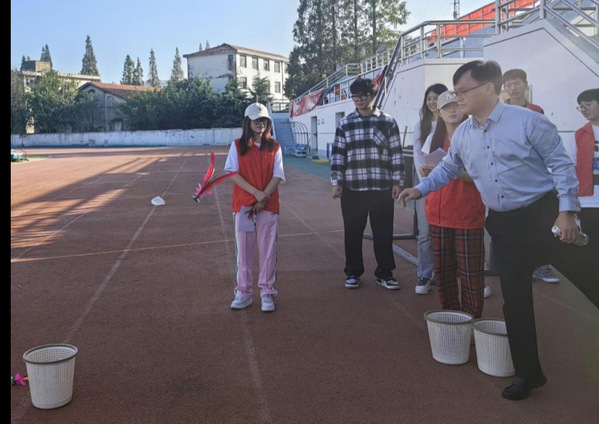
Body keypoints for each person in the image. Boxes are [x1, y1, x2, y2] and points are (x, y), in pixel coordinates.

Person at [398, 60, 597, 401]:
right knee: (515, 302)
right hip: (504, 225)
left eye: (463, 91)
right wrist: (420, 189)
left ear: (489, 88)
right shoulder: (463, 134)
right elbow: (448, 168)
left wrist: (567, 212)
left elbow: (561, 165)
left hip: (544, 214)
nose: (457, 98)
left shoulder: (528, 121)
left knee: (591, 278)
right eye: (455, 92)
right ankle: (528, 374)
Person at [331, 78, 405, 290]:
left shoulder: (388, 122)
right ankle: (353, 272)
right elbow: (338, 154)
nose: (359, 100)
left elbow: (396, 154)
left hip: (381, 187)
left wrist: (398, 182)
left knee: (383, 232)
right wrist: (336, 182)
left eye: (363, 95)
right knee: (352, 232)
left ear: (373, 95)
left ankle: (385, 273)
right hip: (353, 187)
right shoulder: (345, 123)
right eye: (355, 96)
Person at [419, 90, 486, 317]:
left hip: (467, 214)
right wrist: (427, 172)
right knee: (443, 274)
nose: (452, 110)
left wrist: (451, 171)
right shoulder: (433, 139)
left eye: (456, 105)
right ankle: (451, 318)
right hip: (438, 214)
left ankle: (472, 319)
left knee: (471, 274)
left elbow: (482, 175)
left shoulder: (477, 137)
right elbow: (427, 173)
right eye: (447, 107)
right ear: (438, 112)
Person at [224, 102, 285, 312]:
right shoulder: (237, 146)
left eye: (264, 120)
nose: (261, 124)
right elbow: (233, 173)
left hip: (268, 205)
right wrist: (256, 194)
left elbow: (278, 175)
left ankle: (267, 291)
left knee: (268, 250)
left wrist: (263, 196)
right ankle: (244, 292)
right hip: (244, 206)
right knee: (244, 251)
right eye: (256, 120)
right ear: (247, 122)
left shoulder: (274, 147)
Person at [503, 68, 559, 284]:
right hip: (508, 176)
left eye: (517, 83)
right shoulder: (500, 111)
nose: (513, 88)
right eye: (509, 84)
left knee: (539, 222)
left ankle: (541, 265)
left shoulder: (536, 111)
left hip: (533, 176)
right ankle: (508, 264)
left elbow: (545, 142)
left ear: (525, 85)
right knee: (508, 225)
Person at [411, 83, 447, 295]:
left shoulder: (453, 121)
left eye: (437, 98)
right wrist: (424, 176)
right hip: (424, 180)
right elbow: (417, 152)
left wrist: (439, 172)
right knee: (425, 232)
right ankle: (424, 273)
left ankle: (450, 272)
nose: (432, 102)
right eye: (429, 98)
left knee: (450, 230)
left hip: (448, 180)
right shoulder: (421, 124)